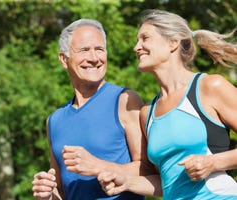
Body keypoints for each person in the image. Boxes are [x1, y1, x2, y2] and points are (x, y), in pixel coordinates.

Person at [98, 9, 237, 200]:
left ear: (173, 43)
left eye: (145, 38)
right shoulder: (147, 113)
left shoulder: (209, 87)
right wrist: (127, 182)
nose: (136, 47)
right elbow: (166, 182)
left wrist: (213, 163)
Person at [31, 18, 153, 200]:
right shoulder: (54, 121)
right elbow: (63, 193)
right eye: (84, 50)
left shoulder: (125, 100)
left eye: (100, 49)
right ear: (64, 60)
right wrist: (47, 194)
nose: (94, 58)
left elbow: (148, 169)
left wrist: (98, 166)